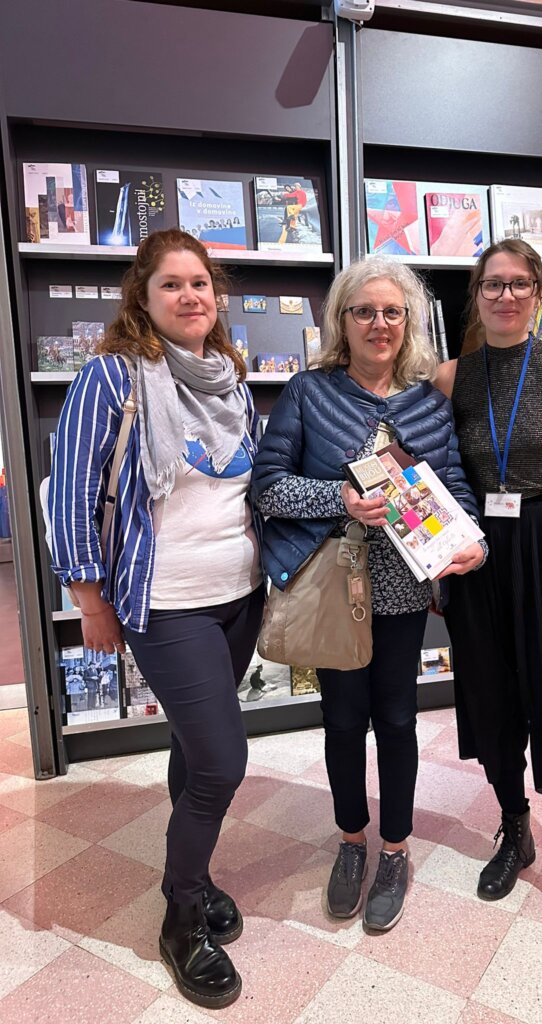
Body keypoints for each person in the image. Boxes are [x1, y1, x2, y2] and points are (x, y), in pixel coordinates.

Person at [47, 228, 264, 1009]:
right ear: (142, 296)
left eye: (200, 283)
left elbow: (244, 486)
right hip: (165, 601)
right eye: (171, 284)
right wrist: (89, 598)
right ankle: (181, 920)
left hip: (238, 595)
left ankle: (191, 878)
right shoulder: (112, 375)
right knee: (222, 764)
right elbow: (70, 488)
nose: (189, 296)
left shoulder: (230, 377)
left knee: (193, 749)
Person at [251, 257, 484, 932]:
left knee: (399, 722)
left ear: (408, 321)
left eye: (392, 312)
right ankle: (352, 841)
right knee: (344, 721)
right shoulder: (308, 392)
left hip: (403, 593)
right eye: (364, 311)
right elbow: (268, 487)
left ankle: (395, 849)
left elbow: (455, 490)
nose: (378, 324)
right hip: (336, 589)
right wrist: (342, 499)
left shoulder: (429, 403)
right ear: (342, 320)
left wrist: (475, 542)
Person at [435, 238, 542, 973]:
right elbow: (436, 474)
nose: (504, 296)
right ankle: (516, 826)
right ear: (475, 296)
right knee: (491, 702)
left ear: (538, 292)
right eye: (492, 285)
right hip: (478, 552)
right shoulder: (450, 376)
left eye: (518, 284)